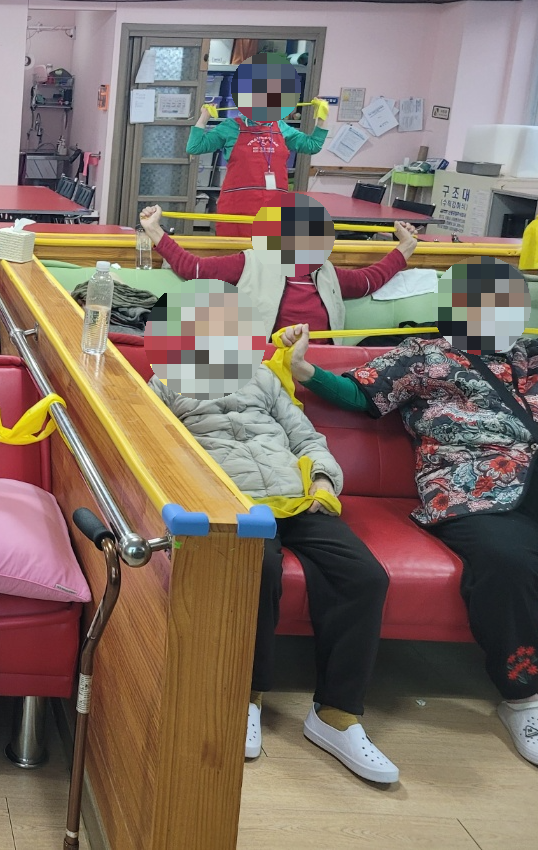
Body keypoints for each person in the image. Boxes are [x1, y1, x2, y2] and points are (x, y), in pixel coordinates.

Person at [279, 259, 538, 771]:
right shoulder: (425, 355)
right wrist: (305, 369)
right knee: (508, 562)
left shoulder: (537, 354)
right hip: (474, 485)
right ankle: (522, 697)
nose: (506, 314)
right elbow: (360, 393)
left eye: (513, 304)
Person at [146, 281, 397, 782]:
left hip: (297, 497)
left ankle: (337, 715)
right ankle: (246, 697)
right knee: (256, 569)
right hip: (234, 505)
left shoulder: (262, 376)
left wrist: (323, 478)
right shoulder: (163, 386)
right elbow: (158, 452)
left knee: (365, 576)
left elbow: (306, 436)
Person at [139, 196, 418, 340]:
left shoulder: (324, 271)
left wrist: (405, 247)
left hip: (320, 366)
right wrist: (154, 231)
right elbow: (195, 269)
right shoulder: (250, 262)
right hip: (267, 364)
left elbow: (368, 281)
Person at [187, 55, 327, 236]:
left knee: (270, 252)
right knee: (234, 252)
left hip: (274, 209)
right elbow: (195, 147)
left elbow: (312, 145)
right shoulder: (231, 127)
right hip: (237, 208)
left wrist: (321, 119)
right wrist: (203, 118)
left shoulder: (281, 127)